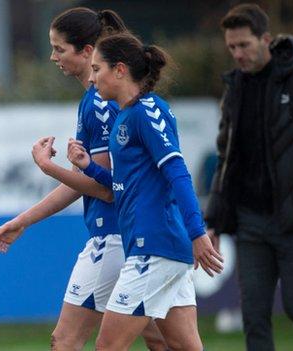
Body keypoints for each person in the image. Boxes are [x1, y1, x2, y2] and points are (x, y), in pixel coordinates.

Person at [0, 7, 166, 351]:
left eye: (59, 49)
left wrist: (48, 167)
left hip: (113, 237)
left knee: (65, 341)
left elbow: (105, 187)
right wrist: (23, 220)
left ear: (87, 51)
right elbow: (88, 181)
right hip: (139, 237)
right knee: (165, 341)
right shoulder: (109, 100)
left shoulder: (101, 103)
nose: (53, 57)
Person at [67, 32, 223, 350]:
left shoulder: (148, 111)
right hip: (155, 248)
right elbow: (123, 187)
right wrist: (89, 167)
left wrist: (197, 231)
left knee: (107, 346)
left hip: (156, 247)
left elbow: (177, 172)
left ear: (120, 70)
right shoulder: (125, 117)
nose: (93, 78)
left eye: (98, 69)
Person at [205, 4, 293, 350]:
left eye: (244, 45)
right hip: (250, 222)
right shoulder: (235, 89)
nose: (237, 53)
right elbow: (227, 159)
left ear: (266, 40)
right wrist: (214, 221)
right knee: (254, 317)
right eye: (231, 47)